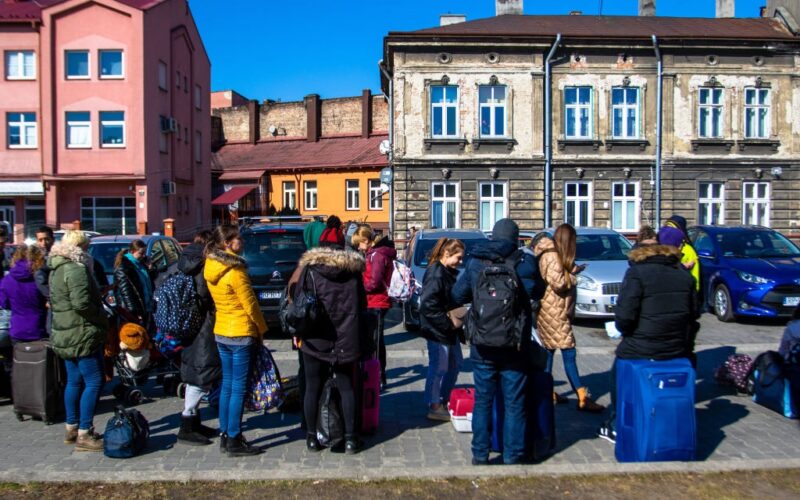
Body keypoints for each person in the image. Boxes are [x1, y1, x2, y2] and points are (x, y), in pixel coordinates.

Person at [452, 218, 538, 465]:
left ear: (493, 237)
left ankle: (480, 454)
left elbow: (458, 295)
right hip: (515, 343)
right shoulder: (525, 262)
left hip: (483, 341)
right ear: (516, 238)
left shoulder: (476, 261)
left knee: (483, 400)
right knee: (514, 403)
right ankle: (512, 456)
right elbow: (538, 291)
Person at [598, 242, 698, 444]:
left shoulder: (637, 274)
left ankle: (617, 424)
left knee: (617, 375)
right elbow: (694, 314)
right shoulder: (684, 276)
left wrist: (624, 330)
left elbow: (625, 317)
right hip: (676, 347)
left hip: (641, 347)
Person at [298, 232, 366, 454]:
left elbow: (299, 302)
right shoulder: (353, 272)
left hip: (315, 336)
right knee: (347, 387)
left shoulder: (310, 271)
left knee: (312, 387)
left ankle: (311, 438)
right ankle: (350, 440)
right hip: (346, 336)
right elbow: (362, 305)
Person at [204, 225, 267, 457]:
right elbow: (250, 304)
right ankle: (234, 437)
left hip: (222, 330)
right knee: (238, 387)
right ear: (227, 243)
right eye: (238, 238)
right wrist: (261, 329)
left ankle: (225, 433)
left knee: (228, 385)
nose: (242, 241)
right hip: (240, 331)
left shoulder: (211, 266)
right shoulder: (235, 270)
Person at [48, 230, 109, 452]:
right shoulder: (76, 269)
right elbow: (82, 303)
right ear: (81, 247)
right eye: (87, 246)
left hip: (64, 331)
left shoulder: (56, 268)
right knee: (94, 381)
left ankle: (71, 427)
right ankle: (85, 432)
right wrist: (100, 317)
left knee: (74, 380)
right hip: (82, 332)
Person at [534, 224, 604, 412]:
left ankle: (546, 392)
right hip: (554, 311)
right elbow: (558, 283)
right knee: (569, 352)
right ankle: (582, 397)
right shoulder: (552, 255)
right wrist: (573, 276)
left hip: (549, 310)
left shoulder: (550, 253)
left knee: (549, 352)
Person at [175, 230, 222, 446]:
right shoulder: (202, 264)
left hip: (189, 325)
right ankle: (187, 424)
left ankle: (194, 422)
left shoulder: (186, 260)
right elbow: (204, 294)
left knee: (195, 370)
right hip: (203, 324)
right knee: (201, 373)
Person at [419, 237, 465, 421]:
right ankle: (434, 405)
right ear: (447, 254)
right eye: (458, 257)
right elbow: (427, 306)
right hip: (438, 330)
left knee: (455, 364)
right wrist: (447, 324)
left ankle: (444, 399)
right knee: (439, 367)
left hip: (447, 330)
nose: (460, 262)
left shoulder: (445, 271)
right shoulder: (436, 273)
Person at [353, 225, 396, 387]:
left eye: (359, 244)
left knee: (375, 341)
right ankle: (377, 372)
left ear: (366, 241)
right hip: (375, 301)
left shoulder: (377, 255)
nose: (358, 247)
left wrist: (358, 285)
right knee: (374, 339)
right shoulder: (374, 253)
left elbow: (374, 282)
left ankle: (378, 374)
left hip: (376, 301)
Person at [0, 245, 48, 343]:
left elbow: (4, 304)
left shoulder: (6, 280)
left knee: (19, 357)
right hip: (39, 328)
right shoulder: (40, 279)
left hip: (17, 329)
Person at [113, 240, 153, 324]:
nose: (143, 255)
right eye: (141, 253)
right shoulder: (124, 267)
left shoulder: (140, 264)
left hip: (144, 306)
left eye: (144, 253)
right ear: (132, 251)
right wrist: (134, 312)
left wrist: (150, 269)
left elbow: (148, 283)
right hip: (133, 311)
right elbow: (126, 292)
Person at [663, 215, 700, 292]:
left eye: (672, 228)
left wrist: (695, 293)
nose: (668, 232)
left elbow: (695, 279)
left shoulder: (688, 250)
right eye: (667, 228)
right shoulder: (659, 247)